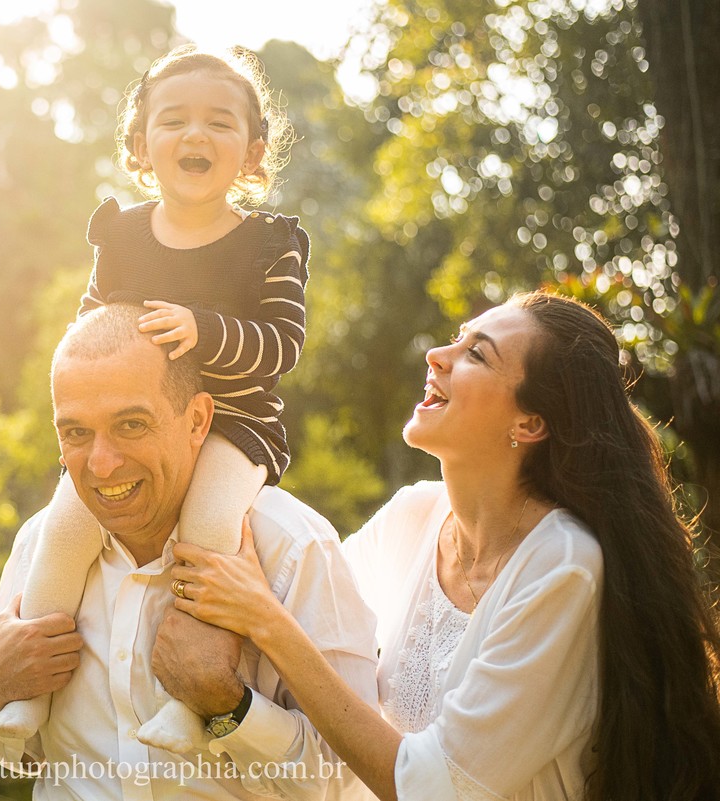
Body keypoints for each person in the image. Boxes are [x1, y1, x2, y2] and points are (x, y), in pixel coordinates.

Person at [166, 290, 720, 800]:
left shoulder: (564, 565)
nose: (437, 354)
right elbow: (301, 604)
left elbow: (433, 788)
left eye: (477, 354)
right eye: (456, 338)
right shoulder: (415, 514)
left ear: (529, 423)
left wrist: (267, 623)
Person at [0, 43, 311, 752]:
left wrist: (204, 331)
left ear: (253, 153)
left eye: (220, 123)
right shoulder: (124, 232)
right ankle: (31, 694)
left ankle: (188, 701)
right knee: (63, 530)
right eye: (174, 121)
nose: (196, 135)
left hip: (235, 424)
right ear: (141, 146)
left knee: (207, 536)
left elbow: (281, 344)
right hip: (134, 427)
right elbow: (91, 319)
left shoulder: (268, 243)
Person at [0, 303, 379, 800]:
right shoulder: (40, 547)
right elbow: (15, 749)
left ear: (198, 420)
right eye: (76, 432)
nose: (102, 464)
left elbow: (349, 782)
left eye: (131, 425)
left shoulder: (293, 548)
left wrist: (228, 706)